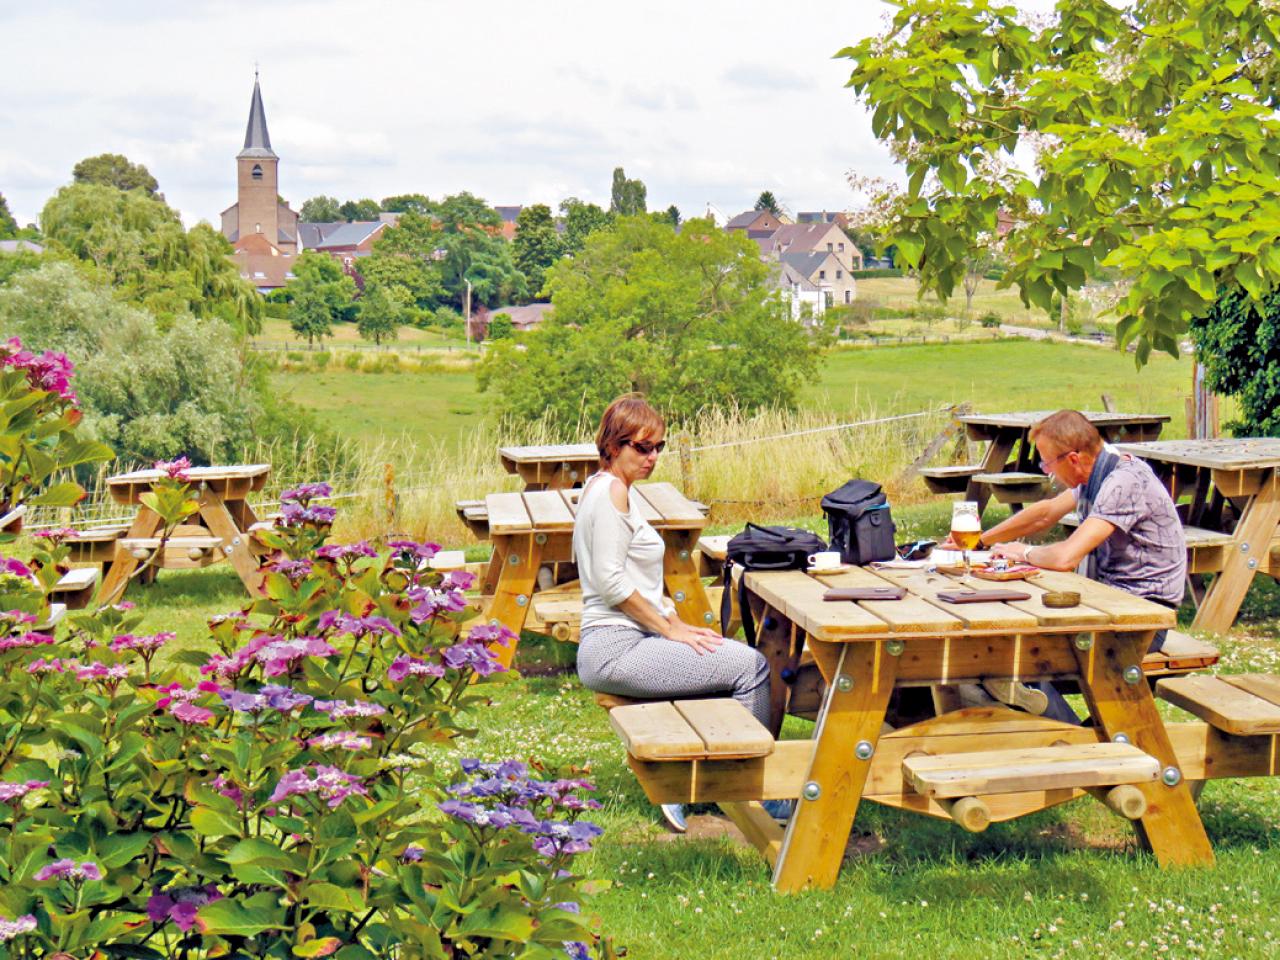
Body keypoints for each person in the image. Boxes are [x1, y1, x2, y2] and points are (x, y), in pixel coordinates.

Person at [573, 394, 774, 832]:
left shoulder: (607, 488)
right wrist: (669, 629)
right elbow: (610, 583)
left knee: (719, 655)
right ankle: (753, 793)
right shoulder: (610, 494)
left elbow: (631, 579)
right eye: (641, 448)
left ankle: (689, 790)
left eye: (659, 447)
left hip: (625, 642)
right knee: (752, 667)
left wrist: (676, 625)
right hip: (615, 650)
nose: (652, 457)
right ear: (612, 445)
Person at [977, 409, 1186, 722]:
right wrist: (981, 540)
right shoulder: (1096, 475)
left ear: (1073, 458)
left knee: (1020, 658)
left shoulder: (1122, 483)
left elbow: (1065, 557)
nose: (1047, 472)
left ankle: (1077, 741)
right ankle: (1074, 734)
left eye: (1047, 463)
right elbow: (1045, 513)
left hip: (1140, 620)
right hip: (1107, 606)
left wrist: (1024, 553)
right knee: (1006, 648)